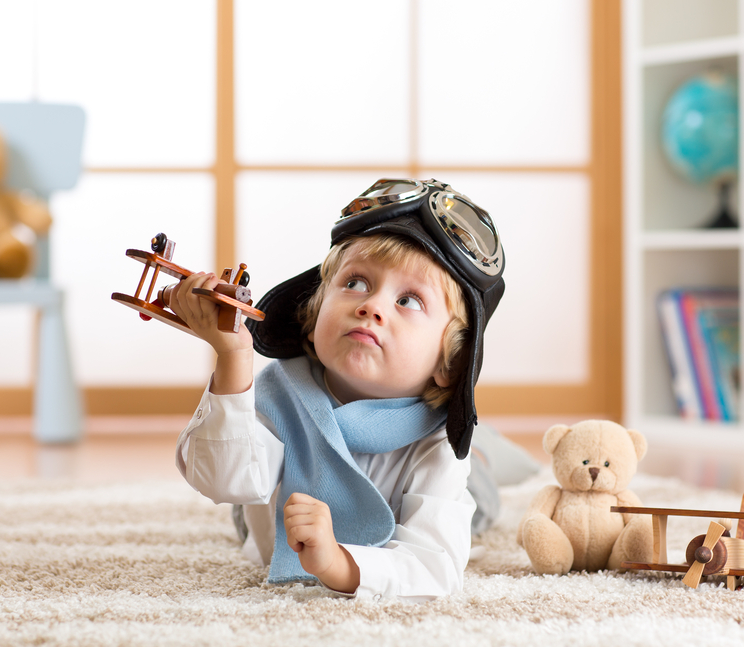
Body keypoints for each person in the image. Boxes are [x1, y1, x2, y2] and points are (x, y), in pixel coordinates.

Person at [172, 178, 505, 602]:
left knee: (478, 506)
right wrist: (234, 357)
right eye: (356, 283)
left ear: (449, 363)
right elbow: (224, 480)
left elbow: (435, 568)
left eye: (409, 301)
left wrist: (337, 562)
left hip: (450, 474)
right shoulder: (277, 393)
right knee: (247, 500)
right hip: (267, 510)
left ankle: (486, 451)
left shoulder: (436, 444)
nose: (372, 306)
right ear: (313, 315)